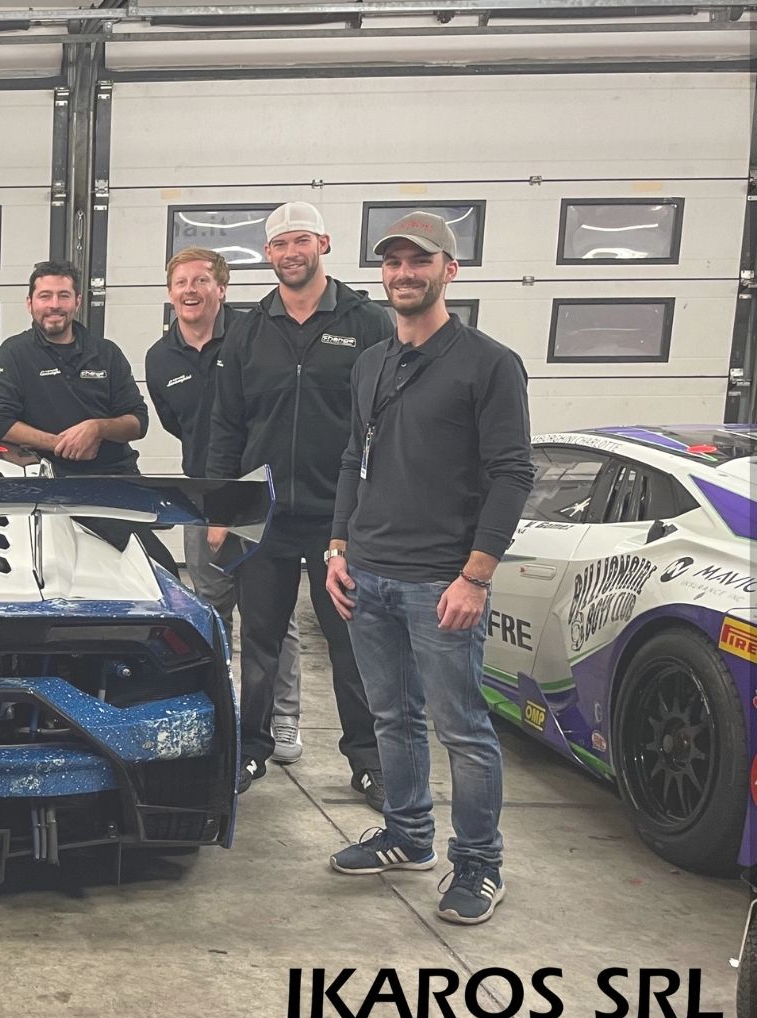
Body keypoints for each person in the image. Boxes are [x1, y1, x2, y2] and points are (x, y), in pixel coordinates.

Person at [325, 212, 533, 925]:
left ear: (450, 270)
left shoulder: (488, 363)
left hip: (440, 581)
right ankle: (409, 835)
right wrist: (338, 547)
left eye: (420, 261)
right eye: (393, 262)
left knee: (463, 730)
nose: (404, 273)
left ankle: (478, 864)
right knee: (392, 717)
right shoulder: (371, 363)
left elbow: (512, 473)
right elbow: (353, 457)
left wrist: (475, 575)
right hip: (368, 574)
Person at [207, 202, 394, 803]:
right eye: (281, 244)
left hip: (342, 518)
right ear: (268, 254)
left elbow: (388, 421)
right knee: (260, 643)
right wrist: (221, 509)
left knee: (351, 643)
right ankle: (252, 750)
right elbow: (226, 423)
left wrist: (374, 508)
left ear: (324, 244)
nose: (291, 253)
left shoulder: (367, 322)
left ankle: (368, 761)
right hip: (264, 516)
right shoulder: (249, 329)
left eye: (302, 241)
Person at [144, 247, 305, 765]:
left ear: (222, 288)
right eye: (181, 282)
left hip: (256, 495)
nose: (190, 291)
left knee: (271, 615)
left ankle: (282, 717)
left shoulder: (255, 335)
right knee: (211, 612)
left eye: (201, 281)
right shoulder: (160, 358)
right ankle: (225, 711)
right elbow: (178, 424)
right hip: (201, 496)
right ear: (170, 292)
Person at [0, 260, 150, 478]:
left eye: (64, 295)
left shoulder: (107, 353)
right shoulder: (13, 354)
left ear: (77, 302)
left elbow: (138, 422)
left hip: (114, 475)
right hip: (42, 477)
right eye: (45, 296)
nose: (54, 305)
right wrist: (60, 444)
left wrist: (97, 428)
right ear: (29, 303)